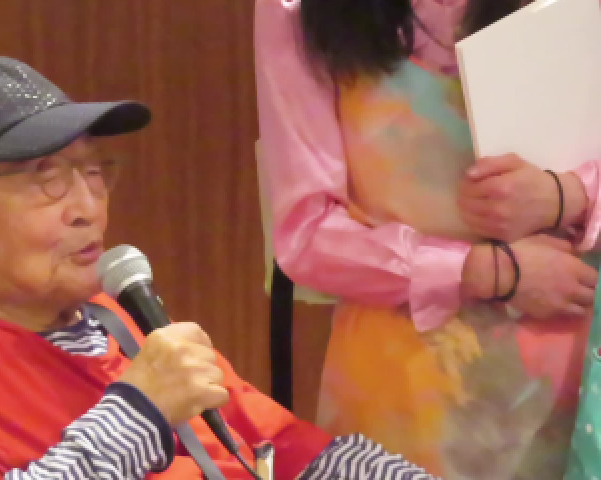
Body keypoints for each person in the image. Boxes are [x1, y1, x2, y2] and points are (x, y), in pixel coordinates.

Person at [0, 56, 436, 480]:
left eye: (93, 171)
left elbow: (293, 451)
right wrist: (139, 411)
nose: (87, 207)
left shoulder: (123, 319)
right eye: (45, 178)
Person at [254, 0, 601, 478]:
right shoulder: (295, 9)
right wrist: (483, 271)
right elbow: (306, 232)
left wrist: (568, 195)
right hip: (403, 401)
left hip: (579, 398)